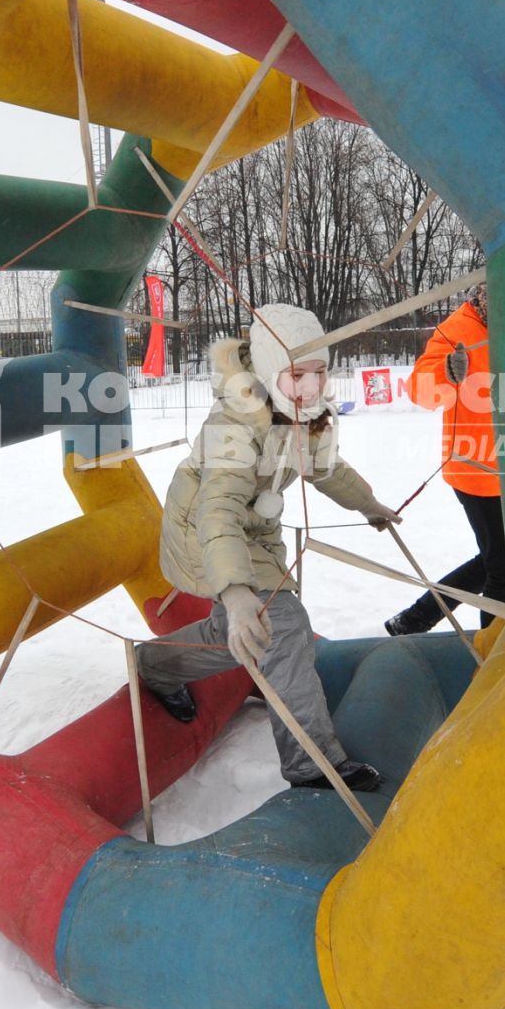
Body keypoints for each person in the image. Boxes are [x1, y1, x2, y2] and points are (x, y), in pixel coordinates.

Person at [139, 304, 402, 793]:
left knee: (260, 628)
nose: (309, 386)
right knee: (278, 624)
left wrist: (369, 505)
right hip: (205, 528)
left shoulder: (307, 413)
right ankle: (312, 764)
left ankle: (156, 663)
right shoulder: (234, 423)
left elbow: (325, 468)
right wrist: (237, 593)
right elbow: (216, 511)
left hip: (256, 528)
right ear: (267, 370)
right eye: (297, 374)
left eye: (319, 372)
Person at [387, 287, 505, 634]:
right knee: (503, 571)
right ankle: (493, 654)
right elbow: (419, 390)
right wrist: (446, 372)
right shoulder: (460, 328)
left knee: (497, 562)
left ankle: (416, 617)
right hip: (478, 470)